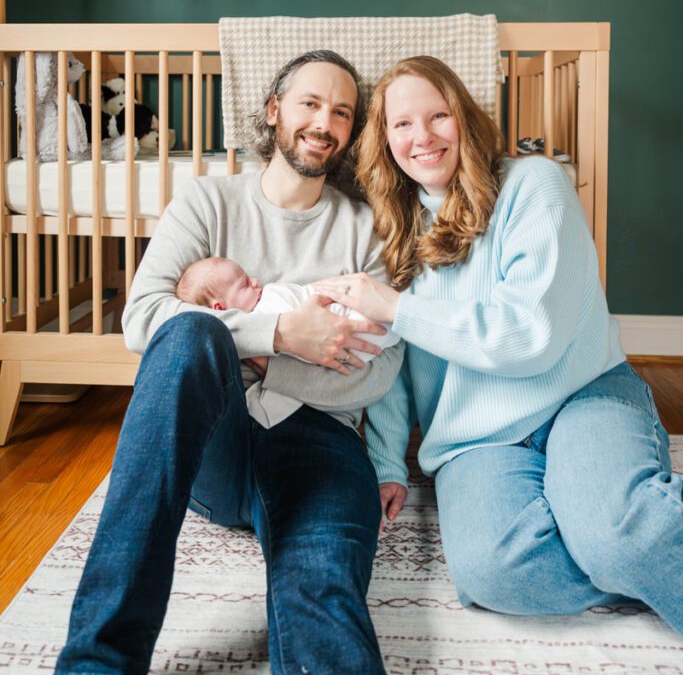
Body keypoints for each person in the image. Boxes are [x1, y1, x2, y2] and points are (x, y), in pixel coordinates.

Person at [55, 50, 404, 675]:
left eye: (342, 112)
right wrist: (281, 334)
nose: (325, 122)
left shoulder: (363, 229)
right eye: (310, 103)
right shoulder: (206, 202)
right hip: (213, 437)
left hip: (321, 439)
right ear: (273, 111)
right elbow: (143, 318)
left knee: (322, 589)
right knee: (190, 334)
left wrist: (275, 368)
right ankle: (97, 662)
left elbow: (380, 367)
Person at [313, 55, 683, 635]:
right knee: (497, 573)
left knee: (618, 534)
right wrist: (386, 462)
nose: (423, 137)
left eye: (439, 116)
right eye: (402, 124)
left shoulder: (534, 183)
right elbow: (389, 356)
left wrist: (396, 306)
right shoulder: (388, 227)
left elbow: (528, 337)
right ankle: (628, 558)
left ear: (464, 117)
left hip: (578, 395)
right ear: (383, 141)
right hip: (473, 435)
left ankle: (625, 545)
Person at [176, 255, 400, 427]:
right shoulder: (253, 317)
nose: (255, 281)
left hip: (350, 342)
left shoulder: (269, 299)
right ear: (220, 308)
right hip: (241, 417)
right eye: (244, 285)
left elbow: (303, 298)